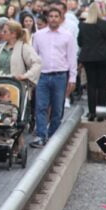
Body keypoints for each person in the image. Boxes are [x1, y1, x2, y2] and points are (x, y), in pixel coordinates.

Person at [31, 8, 77, 148]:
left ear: (61, 18)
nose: (53, 19)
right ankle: (40, 135)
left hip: (60, 76)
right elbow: (34, 56)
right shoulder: (38, 35)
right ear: (47, 18)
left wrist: (72, 78)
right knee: (41, 107)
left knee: (58, 108)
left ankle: (53, 136)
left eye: (56, 16)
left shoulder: (67, 36)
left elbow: (72, 57)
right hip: (43, 76)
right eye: (50, 16)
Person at [78, 2, 106, 120]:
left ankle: (92, 112)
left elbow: (80, 42)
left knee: (91, 85)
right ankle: (101, 111)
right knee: (102, 85)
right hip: (104, 57)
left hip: (88, 58)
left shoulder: (83, 26)